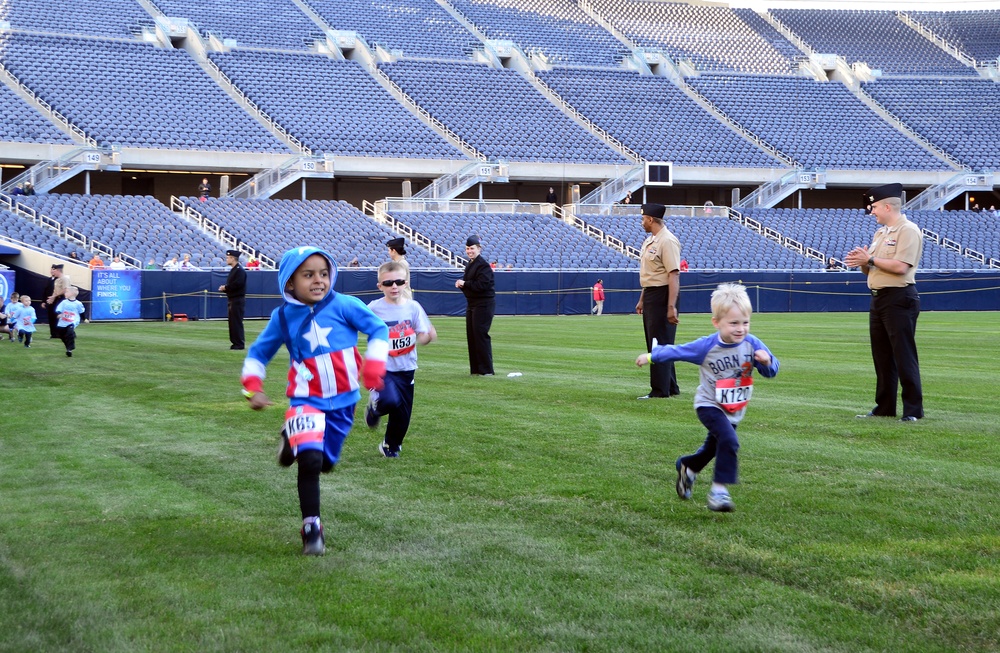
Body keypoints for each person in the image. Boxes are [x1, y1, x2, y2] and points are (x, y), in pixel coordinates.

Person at [241, 246, 389, 556]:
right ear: (290, 283)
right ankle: (312, 527)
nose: (318, 280)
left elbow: (378, 329)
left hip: (344, 403)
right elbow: (258, 353)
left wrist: (375, 364)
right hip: (305, 399)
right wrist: (253, 387)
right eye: (308, 275)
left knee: (324, 463)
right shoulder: (282, 317)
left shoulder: (346, 305)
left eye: (323, 273)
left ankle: (289, 439)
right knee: (308, 462)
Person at [635, 283, 779, 512]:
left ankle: (688, 467)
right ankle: (719, 491)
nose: (740, 329)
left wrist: (767, 362)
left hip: (734, 407)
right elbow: (679, 350)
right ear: (717, 322)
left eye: (745, 322)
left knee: (714, 448)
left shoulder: (752, 343)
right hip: (709, 405)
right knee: (730, 442)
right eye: (733, 323)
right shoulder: (707, 346)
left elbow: (772, 370)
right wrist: (652, 356)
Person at [845, 183, 924, 422]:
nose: (872, 211)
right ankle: (885, 407)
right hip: (879, 299)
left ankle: (913, 410)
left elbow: (901, 267)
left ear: (888, 206)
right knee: (882, 357)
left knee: (903, 355)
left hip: (899, 299)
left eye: (875, 206)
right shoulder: (881, 234)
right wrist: (862, 262)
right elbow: (871, 271)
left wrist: (870, 258)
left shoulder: (908, 230)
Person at [365, 261, 437, 457]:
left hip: (406, 367)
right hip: (383, 366)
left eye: (398, 282)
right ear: (380, 286)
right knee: (389, 400)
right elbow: (357, 324)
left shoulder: (413, 308)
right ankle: (375, 408)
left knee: (403, 413)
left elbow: (423, 334)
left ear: (405, 283)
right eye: (388, 283)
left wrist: (427, 336)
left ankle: (391, 445)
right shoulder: (373, 308)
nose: (394, 286)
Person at [635, 203, 682, 399]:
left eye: (643, 219)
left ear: (651, 219)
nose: (642, 222)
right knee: (658, 342)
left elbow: (673, 275)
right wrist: (642, 299)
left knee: (658, 343)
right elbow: (650, 275)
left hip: (663, 295)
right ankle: (671, 386)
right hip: (652, 294)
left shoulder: (667, 241)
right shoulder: (651, 241)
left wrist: (671, 306)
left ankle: (659, 390)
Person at [455, 235, 495, 375]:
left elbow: (482, 285)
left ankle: (486, 370)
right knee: (471, 336)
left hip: (483, 304)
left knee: (480, 335)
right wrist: (462, 285)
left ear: (479, 248)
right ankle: (476, 369)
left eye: (472, 248)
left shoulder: (483, 265)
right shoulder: (470, 264)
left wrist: (465, 283)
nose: (469, 251)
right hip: (472, 304)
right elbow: (471, 285)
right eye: (467, 248)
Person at [218, 249, 246, 350]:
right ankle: (235, 342)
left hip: (237, 300)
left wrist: (226, 287)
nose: (226, 259)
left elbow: (238, 284)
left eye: (228, 258)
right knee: (232, 322)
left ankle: (239, 343)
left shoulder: (239, 271)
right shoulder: (234, 270)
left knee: (236, 322)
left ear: (233, 258)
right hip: (232, 299)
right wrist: (225, 288)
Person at [55, 286, 85, 357]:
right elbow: (59, 309)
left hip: (73, 321)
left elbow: (81, 312)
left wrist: (84, 319)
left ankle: (69, 349)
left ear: (72, 294)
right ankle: (68, 345)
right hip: (63, 322)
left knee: (69, 333)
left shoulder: (78, 303)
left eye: (67, 292)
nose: (65, 293)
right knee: (62, 335)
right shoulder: (64, 302)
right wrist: (59, 314)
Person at [44, 264, 70, 339]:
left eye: (54, 270)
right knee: (53, 316)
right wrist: (52, 298)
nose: (53, 272)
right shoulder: (57, 280)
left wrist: (54, 296)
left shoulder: (64, 279)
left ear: (58, 270)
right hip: (56, 299)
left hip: (62, 298)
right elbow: (55, 291)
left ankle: (67, 333)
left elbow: (65, 290)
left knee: (62, 317)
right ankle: (55, 334)